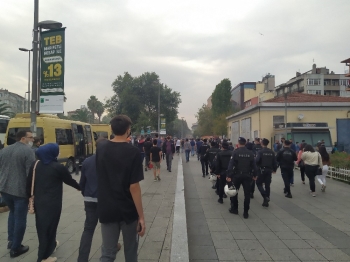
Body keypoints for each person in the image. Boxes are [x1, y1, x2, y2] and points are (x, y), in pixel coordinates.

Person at [96, 115, 145, 262]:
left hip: (106, 207)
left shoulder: (101, 148)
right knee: (130, 250)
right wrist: (141, 216)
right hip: (128, 210)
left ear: (111, 129)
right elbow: (134, 186)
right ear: (128, 130)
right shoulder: (133, 152)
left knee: (108, 252)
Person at [26, 143, 80, 262]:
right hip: (52, 203)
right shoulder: (57, 167)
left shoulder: (35, 165)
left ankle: (51, 244)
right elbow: (69, 180)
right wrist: (80, 187)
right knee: (48, 228)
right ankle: (43, 257)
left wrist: (28, 200)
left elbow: (29, 183)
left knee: (42, 226)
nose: (58, 152)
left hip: (39, 202)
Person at [78, 137, 121, 262]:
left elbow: (82, 183)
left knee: (88, 229)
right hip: (106, 200)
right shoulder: (113, 161)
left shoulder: (87, 161)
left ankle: (82, 258)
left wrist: (86, 194)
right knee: (110, 227)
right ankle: (111, 247)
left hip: (89, 199)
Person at [0, 130, 35, 258]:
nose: (32, 140)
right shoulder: (27, 151)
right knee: (20, 218)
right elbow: (30, 174)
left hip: (5, 189)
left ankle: (11, 241)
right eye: (30, 137)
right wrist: (32, 193)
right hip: (20, 191)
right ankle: (16, 248)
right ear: (22, 138)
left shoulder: (4, 150)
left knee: (12, 214)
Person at [226, 137, 257, 219]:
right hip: (247, 176)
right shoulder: (250, 153)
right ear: (245, 143)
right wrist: (255, 175)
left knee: (234, 192)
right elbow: (254, 165)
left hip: (237, 175)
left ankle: (234, 209)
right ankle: (246, 212)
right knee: (247, 194)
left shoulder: (235, 152)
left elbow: (231, 164)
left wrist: (229, 175)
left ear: (238, 143)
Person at [255, 138, 278, 207]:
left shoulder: (260, 151)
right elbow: (275, 162)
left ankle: (265, 196)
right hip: (269, 170)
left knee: (258, 183)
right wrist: (274, 169)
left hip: (261, 170)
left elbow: (257, 161)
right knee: (267, 185)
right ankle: (266, 200)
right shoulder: (271, 152)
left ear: (262, 143)